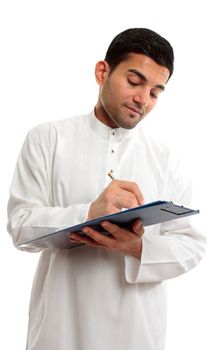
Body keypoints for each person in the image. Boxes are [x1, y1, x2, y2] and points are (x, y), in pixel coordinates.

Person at [7, 28, 205, 350]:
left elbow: (191, 246)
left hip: (136, 333)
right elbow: (20, 225)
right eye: (134, 81)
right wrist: (89, 213)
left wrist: (136, 248)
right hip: (60, 328)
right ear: (102, 72)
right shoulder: (48, 138)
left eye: (155, 92)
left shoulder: (167, 160)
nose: (143, 99)